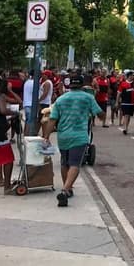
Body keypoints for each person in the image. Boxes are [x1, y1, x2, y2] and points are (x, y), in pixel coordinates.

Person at [42, 74, 105, 206]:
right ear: (82, 86)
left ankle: (68, 189)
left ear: (69, 85)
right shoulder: (88, 98)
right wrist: (102, 115)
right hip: (79, 136)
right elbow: (99, 114)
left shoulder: (61, 99)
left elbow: (52, 119)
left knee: (65, 163)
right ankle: (65, 190)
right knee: (75, 164)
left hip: (63, 135)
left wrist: (46, 136)